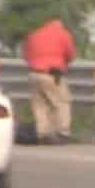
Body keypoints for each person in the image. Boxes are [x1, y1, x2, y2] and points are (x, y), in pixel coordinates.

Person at [23, 15, 77, 144]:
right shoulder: (63, 34)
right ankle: (63, 133)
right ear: (59, 23)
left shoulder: (35, 34)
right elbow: (70, 54)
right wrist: (63, 64)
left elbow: (26, 55)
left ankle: (42, 134)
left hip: (34, 74)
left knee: (39, 105)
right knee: (62, 102)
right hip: (52, 74)